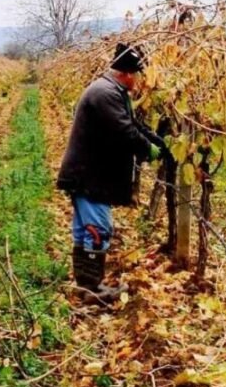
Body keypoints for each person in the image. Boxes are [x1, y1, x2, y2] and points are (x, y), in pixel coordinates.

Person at [56, 43, 167, 302]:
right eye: (138, 74)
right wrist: (148, 150)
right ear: (127, 73)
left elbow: (133, 124)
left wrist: (157, 142)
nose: (140, 80)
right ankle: (92, 289)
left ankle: (87, 287)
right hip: (89, 176)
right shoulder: (106, 94)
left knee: (87, 230)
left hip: (90, 173)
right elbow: (124, 131)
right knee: (97, 228)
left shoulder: (110, 90)